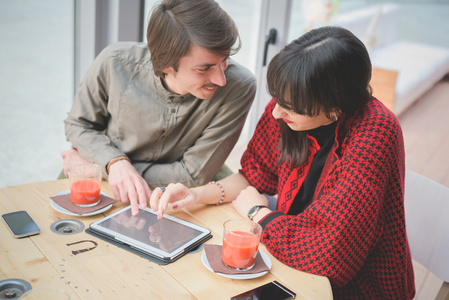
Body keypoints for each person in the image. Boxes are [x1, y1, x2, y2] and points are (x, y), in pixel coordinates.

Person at [150, 26, 415, 299]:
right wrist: (196, 194)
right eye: (277, 97)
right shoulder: (290, 104)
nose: (276, 111)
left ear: (336, 106)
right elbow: (254, 175)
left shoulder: (375, 132)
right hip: (287, 264)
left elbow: (330, 258)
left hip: (350, 289)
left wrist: (258, 214)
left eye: (290, 106)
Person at [62, 0, 256, 215]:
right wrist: (114, 163)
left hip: (190, 191)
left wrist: (104, 166)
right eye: (204, 68)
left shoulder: (240, 87)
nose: (221, 79)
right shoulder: (114, 62)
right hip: (109, 177)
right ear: (165, 63)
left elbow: (193, 176)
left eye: (225, 60)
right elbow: (78, 125)